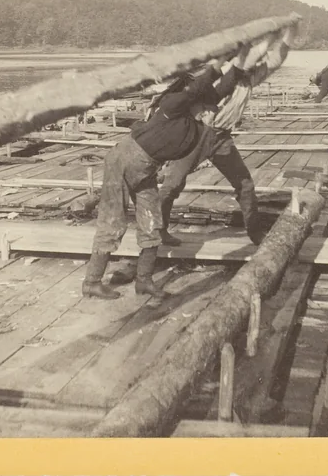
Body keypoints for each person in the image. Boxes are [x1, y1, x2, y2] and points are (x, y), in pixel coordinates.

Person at [82, 55, 239, 302]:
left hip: (146, 170)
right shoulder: (172, 106)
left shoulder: (194, 125)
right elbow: (197, 89)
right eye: (209, 110)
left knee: (152, 222)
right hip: (123, 161)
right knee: (113, 222)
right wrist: (218, 64)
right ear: (197, 104)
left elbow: (219, 91)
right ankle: (91, 282)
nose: (211, 115)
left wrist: (240, 67)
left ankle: (144, 281)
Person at [150, 42, 275, 249]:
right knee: (172, 184)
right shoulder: (228, 76)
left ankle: (255, 232)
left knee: (245, 184)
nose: (255, 64)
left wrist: (278, 38)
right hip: (198, 134)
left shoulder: (249, 80)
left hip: (222, 138)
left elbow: (272, 58)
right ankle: (158, 230)